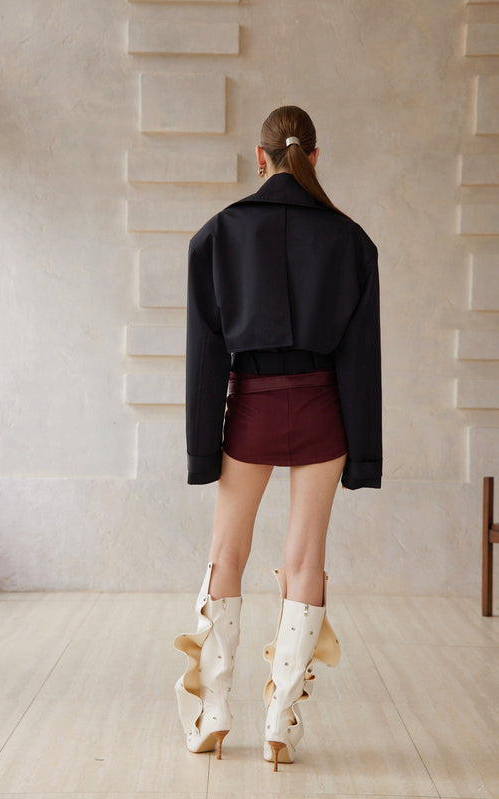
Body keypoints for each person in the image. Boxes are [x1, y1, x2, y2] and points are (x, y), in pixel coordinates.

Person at [173, 105, 382, 770]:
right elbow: (360, 360)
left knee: (225, 553)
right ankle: (280, 725)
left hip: (251, 411)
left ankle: (213, 712)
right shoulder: (351, 240)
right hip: (322, 410)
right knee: (305, 560)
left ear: (260, 158)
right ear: (313, 157)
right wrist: (364, 456)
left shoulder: (218, 233)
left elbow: (205, 355)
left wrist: (202, 449)